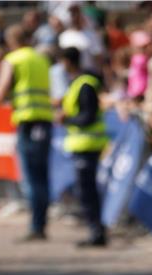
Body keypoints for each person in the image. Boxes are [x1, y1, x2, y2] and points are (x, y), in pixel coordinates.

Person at [0, 24, 53, 241]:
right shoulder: (40, 58)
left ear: (10, 42)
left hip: (27, 121)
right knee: (41, 176)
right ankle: (41, 223)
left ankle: (37, 226)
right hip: (45, 120)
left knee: (31, 177)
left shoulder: (13, 60)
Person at [57, 46, 108, 247]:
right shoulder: (79, 83)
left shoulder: (85, 84)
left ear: (67, 62)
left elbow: (88, 116)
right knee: (86, 190)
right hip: (83, 145)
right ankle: (95, 231)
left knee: (87, 191)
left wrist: (66, 119)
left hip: (88, 145)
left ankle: (97, 233)